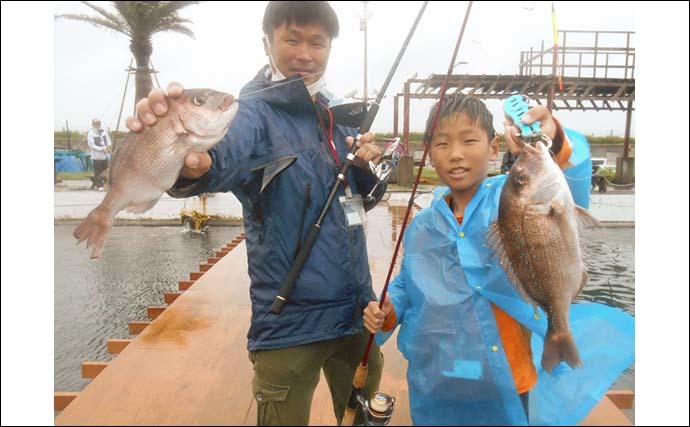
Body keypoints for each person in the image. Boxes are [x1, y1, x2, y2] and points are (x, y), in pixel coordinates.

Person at [126, 2, 386, 425]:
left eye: (317, 42)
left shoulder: (339, 118)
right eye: (292, 39)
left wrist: (365, 167)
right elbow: (221, 157)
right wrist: (192, 167)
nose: (305, 53)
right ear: (267, 42)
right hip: (289, 329)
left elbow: (359, 201)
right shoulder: (250, 114)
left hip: (357, 316)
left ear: (330, 48)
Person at [363, 94, 634, 425]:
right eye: (443, 144)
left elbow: (571, 188)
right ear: (430, 154)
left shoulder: (509, 200)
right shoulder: (422, 226)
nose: (456, 154)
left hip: (506, 374)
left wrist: (554, 138)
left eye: (469, 140)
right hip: (438, 378)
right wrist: (388, 309)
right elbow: (409, 281)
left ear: (493, 148)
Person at [87, 119, 111, 190]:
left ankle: (106, 184)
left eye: (99, 123)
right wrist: (101, 149)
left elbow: (108, 141)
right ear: (93, 124)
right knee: (98, 171)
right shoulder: (91, 134)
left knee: (105, 170)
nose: (97, 125)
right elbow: (91, 145)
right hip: (97, 157)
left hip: (105, 156)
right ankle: (99, 185)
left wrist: (109, 146)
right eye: (96, 123)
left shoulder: (104, 132)